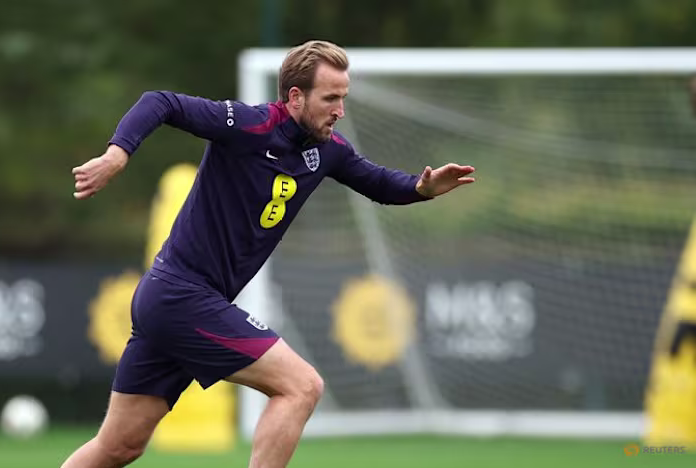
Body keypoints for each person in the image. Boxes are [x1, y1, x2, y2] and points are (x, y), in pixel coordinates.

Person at [62, 40, 475, 468]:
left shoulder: (328, 150)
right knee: (302, 386)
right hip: (180, 296)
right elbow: (159, 101)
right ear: (295, 96)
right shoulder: (248, 125)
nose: (340, 110)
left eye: (343, 98)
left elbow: (379, 183)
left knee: (119, 447)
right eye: (330, 98)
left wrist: (421, 188)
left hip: (172, 302)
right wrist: (117, 154)